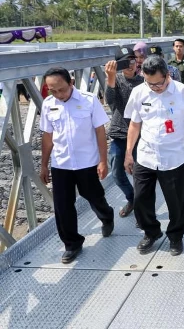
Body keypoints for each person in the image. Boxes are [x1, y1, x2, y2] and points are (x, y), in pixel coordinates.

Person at [124, 56, 184, 256]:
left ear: (168, 75)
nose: (155, 87)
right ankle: (151, 232)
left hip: (173, 157)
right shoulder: (139, 92)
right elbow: (135, 124)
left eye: (159, 83)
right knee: (141, 198)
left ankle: (175, 237)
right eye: (150, 83)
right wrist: (128, 153)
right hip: (146, 155)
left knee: (176, 201)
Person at [39, 67, 113, 264]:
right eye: (52, 90)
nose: (57, 94)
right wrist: (44, 165)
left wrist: (103, 161)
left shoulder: (88, 101)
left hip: (87, 162)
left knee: (94, 196)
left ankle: (107, 216)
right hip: (61, 163)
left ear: (71, 83)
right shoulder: (48, 105)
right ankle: (72, 244)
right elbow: (47, 137)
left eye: (61, 89)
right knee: (62, 206)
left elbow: (100, 132)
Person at [104, 46, 144, 220]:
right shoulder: (116, 80)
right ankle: (132, 199)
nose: (130, 65)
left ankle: (142, 209)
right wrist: (110, 78)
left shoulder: (144, 82)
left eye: (132, 60)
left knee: (140, 174)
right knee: (117, 172)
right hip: (119, 133)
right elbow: (110, 101)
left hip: (140, 136)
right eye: (125, 62)